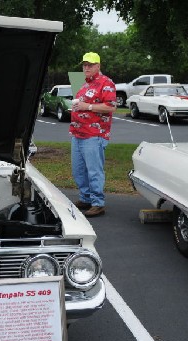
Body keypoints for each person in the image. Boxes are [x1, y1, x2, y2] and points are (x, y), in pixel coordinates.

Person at [69, 52, 117, 217]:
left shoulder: (106, 83)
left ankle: (98, 203)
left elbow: (111, 107)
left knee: (94, 170)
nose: (86, 67)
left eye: (90, 65)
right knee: (78, 170)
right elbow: (82, 104)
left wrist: (87, 107)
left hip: (94, 135)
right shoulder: (84, 84)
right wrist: (77, 107)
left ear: (98, 66)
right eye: (84, 65)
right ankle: (86, 198)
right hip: (78, 133)